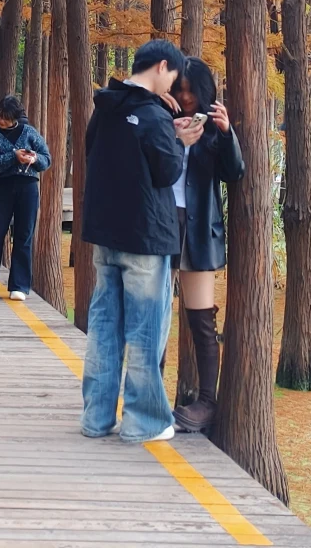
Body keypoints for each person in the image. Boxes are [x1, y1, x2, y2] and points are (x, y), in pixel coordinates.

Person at [80, 39, 195, 445]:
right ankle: (142, 421)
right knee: (146, 331)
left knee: (104, 328)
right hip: (145, 236)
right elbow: (166, 172)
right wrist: (180, 142)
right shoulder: (152, 114)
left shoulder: (105, 107)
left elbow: (94, 152)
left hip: (105, 233)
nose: (172, 86)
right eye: (173, 76)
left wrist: (168, 134)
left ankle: (96, 418)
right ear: (162, 66)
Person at [169, 56, 245, 433]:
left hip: (199, 230)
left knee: (201, 319)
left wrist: (227, 132)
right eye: (179, 90)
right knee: (153, 313)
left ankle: (206, 402)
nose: (185, 97)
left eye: (191, 91)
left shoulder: (214, 129)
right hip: (162, 224)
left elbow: (234, 172)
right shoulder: (163, 120)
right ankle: (150, 396)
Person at [0, 94, 51, 301]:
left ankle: (19, 285)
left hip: (28, 187)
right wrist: (14, 157)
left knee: (24, 235)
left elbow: (46, 160)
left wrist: (33, 158)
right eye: (0, 116)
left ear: (16, 117)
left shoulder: (29, 132)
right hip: (3, 188)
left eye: (7, 118)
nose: (2, 121)